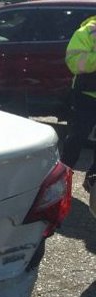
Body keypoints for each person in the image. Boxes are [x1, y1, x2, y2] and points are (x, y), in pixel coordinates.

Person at [62, 15, 96, 190]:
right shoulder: (88, 31)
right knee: (76, 138)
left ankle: (92, 181)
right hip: (87, 95)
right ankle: (60, 180)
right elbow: (75, 62)